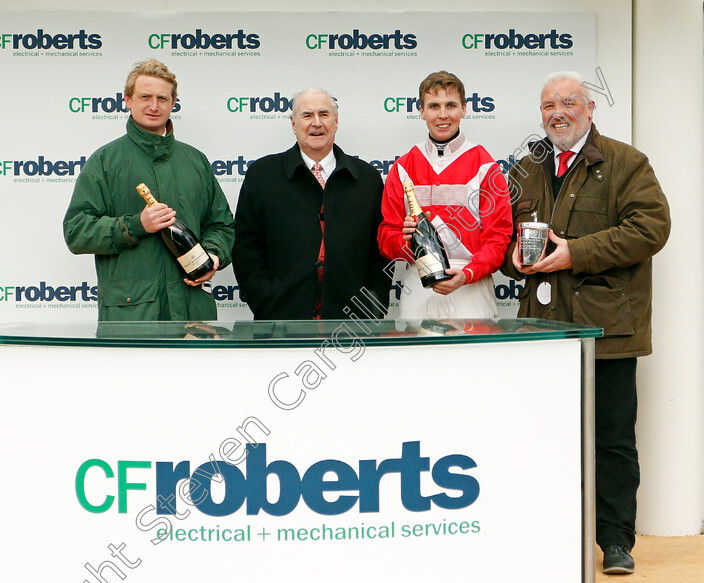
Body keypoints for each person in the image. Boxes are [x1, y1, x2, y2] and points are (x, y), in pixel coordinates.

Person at [500, 71, 671, 575]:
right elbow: (511, 237)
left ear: (590, 109)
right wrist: (514, 259)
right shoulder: (526, 169)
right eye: (549, 103)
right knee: (544, 434)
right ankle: (549, 530)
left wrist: (576, 253)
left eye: (569, 101)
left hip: (607, 331)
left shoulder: (626, 161)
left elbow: (651, 228)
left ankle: (615, 541)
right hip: (541, 331)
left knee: (612, 441)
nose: (559, 111)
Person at [63, 59, 235, 321]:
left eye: (162, 98)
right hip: (132, 319)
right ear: (128, 100)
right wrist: (135, 226)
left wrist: (213, 255)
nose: (154, 106)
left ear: (173, 103)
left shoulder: (195, 161)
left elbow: (221, 225)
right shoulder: (105, 161)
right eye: (145, 96)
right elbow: (76, 231)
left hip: (194, 314)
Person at [233, 87, 390, 320]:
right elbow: (246, 247)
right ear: (293, 122)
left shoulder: (367, 178)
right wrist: (266, 301)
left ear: (336, 122)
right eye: (307, 115)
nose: (316, 123)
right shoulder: (262, 175)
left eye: (324, 114)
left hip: (351, 327)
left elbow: (380, 254)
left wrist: (371, 306)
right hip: (280, 325)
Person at [378, 70, 512, 319]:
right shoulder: (403, 167)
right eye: (434, 106)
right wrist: (406, 243)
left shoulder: (486, 167)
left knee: (472, 359)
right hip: (418, 283)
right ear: (421, 111)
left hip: (472, 285)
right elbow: (387, 237)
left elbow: (498, 240)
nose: (442, 115)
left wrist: (469, 274)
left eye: (450, 105)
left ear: (463, 109)